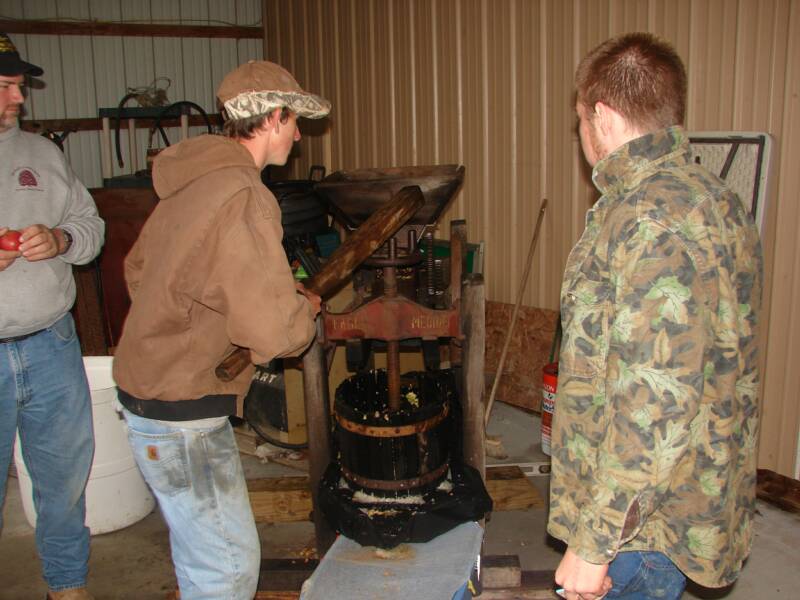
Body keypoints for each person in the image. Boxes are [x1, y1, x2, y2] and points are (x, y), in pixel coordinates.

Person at [548, 32, 763, 600]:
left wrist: (594, 544)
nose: (582, 139)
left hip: (641, 526)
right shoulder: (716, 198)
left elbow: (654, 401)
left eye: (581, 124)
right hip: (687, 496)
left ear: (604, 116)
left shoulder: (646, 220)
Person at [111, 60, 329, 600]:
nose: (300, 134)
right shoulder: (244, 194)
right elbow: (277, 335)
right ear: (274, 118)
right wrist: (304, 311)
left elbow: (140, 273)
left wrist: (201, 321)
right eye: (295, 120)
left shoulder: (192, 183)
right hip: (181, 412)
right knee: (228, 568)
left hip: (146, 392)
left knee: (199, 553)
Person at [0, 33, 105, 600]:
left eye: (18, 84)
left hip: (51, 346)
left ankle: (67, 585)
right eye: (5, 86)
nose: (19, 97)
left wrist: (61, 237)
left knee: (64, 481)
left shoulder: (43, 154)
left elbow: (91, 231)